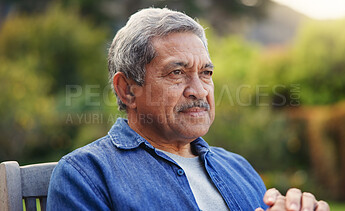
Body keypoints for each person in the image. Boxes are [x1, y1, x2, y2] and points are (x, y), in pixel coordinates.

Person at [47, 7, 330, 211]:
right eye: (177, 73)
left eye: (206, 73)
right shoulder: (85, 175)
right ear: (127, 90)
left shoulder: (237, 167)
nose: (199, 89)